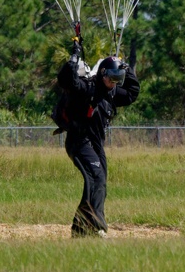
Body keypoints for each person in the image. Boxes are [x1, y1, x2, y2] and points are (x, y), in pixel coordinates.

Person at [57, 42, 139, 238]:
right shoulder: (88, 88)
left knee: (99, 182)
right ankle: (95, 226)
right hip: (79, 141)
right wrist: (73, 59)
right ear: (102, 74)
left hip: (95, 144)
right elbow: (68, 82)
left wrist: (127, 69)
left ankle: (80, 228)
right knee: (96, 178)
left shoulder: (112, 92)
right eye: (112, 77)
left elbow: (131, 94)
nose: (114, 82)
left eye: (118, 79)